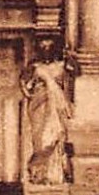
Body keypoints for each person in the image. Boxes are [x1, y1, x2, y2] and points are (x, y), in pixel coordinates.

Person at [23, 39, 74, 184]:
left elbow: (70, 80)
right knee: (40, 139)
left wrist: (69, 56)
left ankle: (55, 174)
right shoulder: (35, 66)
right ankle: (39, 173)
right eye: (43, 47)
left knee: (55, 137)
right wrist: (32, 94)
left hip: (57, 105)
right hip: (39, 105)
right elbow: (24, 84)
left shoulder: (61, 66)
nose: (46, 50)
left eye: (49, 47)